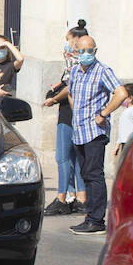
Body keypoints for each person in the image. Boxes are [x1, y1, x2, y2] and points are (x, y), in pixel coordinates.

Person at [45, 33, 129, 235]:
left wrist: (104, 113)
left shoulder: (102, 71)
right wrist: (74, 112)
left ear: (95, 51)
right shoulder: (75, 72)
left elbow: (121, 93)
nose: (85, 54)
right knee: (85, 174)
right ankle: (90, 215)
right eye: (81, 51)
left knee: (94, 174)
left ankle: (96, 219)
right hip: (79, 130)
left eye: (89, 51)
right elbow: (71, 92)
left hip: (94, 132)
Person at [42, 21, 88, 216]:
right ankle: (81, 198)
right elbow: (66, 81)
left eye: (68, 40)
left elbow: (71, 87)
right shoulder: (83, 62)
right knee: (76, 158)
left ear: (77, 40)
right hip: (78, 113)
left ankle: (61, 198)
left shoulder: (75, 62)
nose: (67, 45)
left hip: (68, 113)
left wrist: (53, 99)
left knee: (62, 157)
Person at [113, 83, 133, 159]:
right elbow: (122, 129)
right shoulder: (127, 111)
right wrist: (118, 144)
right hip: (124, 142)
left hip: (130, 143)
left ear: (130, 98)